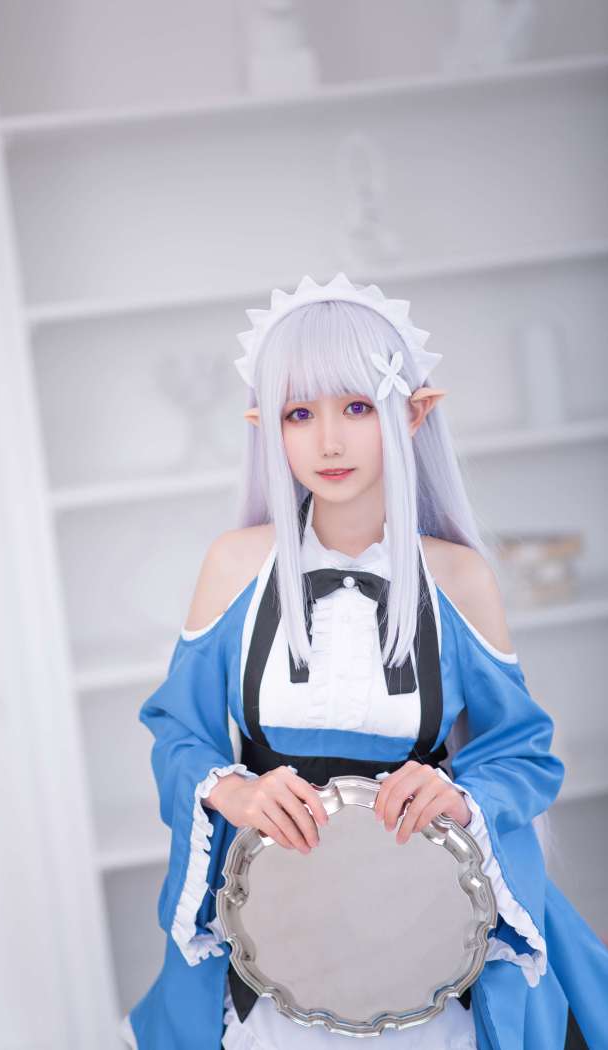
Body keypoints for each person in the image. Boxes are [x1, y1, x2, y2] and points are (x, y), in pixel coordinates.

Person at [119, 274, 608, 1050]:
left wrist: (459, 794)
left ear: (413, 413)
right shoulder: (234, 566)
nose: (329, 442)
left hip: (426, 924)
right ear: (266, 428)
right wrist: (235, 791)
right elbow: (177, 732)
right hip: (275, 926)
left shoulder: (458, 578)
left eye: (355, 407)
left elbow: (522, 751)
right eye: (299, 414)